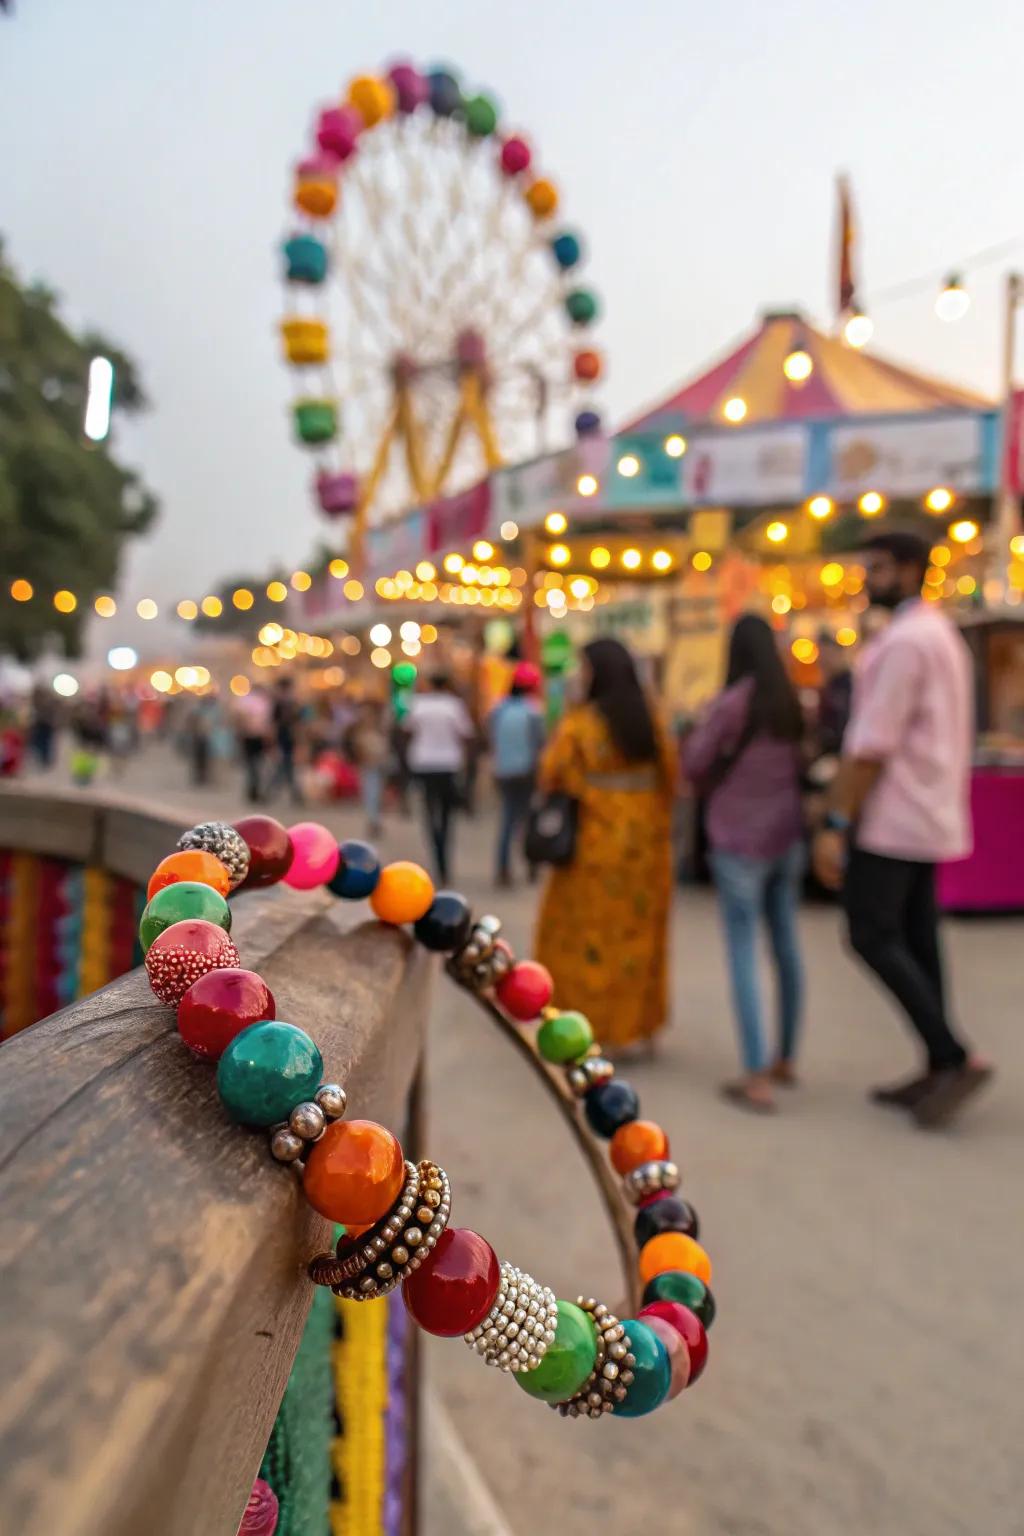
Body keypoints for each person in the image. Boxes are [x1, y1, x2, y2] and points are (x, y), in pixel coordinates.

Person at [813, 530, 992, 1128]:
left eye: (880, 568)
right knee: (916, 937)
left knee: (869, 932)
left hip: (895, 818)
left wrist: (836, 822)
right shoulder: (935, 635)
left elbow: (870, 747)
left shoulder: (908, 642)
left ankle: (950, 1053)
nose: (869, 580)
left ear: (912, 570)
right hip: (926, 811)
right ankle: (939, 1062)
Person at [684, 614, 806, 1112]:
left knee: (742, 952)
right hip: (787, 836)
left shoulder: (732, 704)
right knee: (786, 947)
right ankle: (785, 1058)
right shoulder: (790, 702)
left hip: (738, 839)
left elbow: (694, 763)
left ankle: (755, 1072)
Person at [534, 638, 676, 1054]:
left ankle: (591, 1029)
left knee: (587, 938)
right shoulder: (652, 719)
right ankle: (640, 1027)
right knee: (640, 937)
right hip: (647, 848)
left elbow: (551, 773)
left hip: (593, 850)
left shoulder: (582, 723)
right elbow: (673, 778)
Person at [404, 672, 474, 881]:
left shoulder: (418, 704)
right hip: (448, 764)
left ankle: (437, 855)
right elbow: (466, 733)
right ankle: (444, 860)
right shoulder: (454, 705)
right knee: (446, 815)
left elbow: (406, 729)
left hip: (423, 763)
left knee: (429, 812)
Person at [488, 661, 545, 886]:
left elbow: (491, 739)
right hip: (526, 771)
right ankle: (532, 864)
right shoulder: (533, 711)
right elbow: (539, 743)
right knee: (529, 819)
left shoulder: (499, 709)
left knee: (508, 820)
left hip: (503, 771)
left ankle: (503, 867)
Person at [347, 697, 390, 838]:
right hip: (369, 764)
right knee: (372, 793)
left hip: (376, 763)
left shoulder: (376, 728)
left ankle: (375, 820)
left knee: (375, 793)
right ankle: (374, 820)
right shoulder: (364, 730)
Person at [268, 677, 304, 806]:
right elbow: (274, 725)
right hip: (282, 739)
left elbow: (299, 724)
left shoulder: (294, 704)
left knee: (287, 768)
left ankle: (294, 794)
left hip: (290, 739)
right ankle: (295, 794)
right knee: (284, 768)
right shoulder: (279, 705)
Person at [235, 683, 273, 803]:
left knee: (253, 765)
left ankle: (254, 790)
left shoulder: (248, 701)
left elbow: (239, 716)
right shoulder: (263, 702)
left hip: (252, 736)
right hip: (256, 736)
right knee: (255, 765)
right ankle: (254, 790)